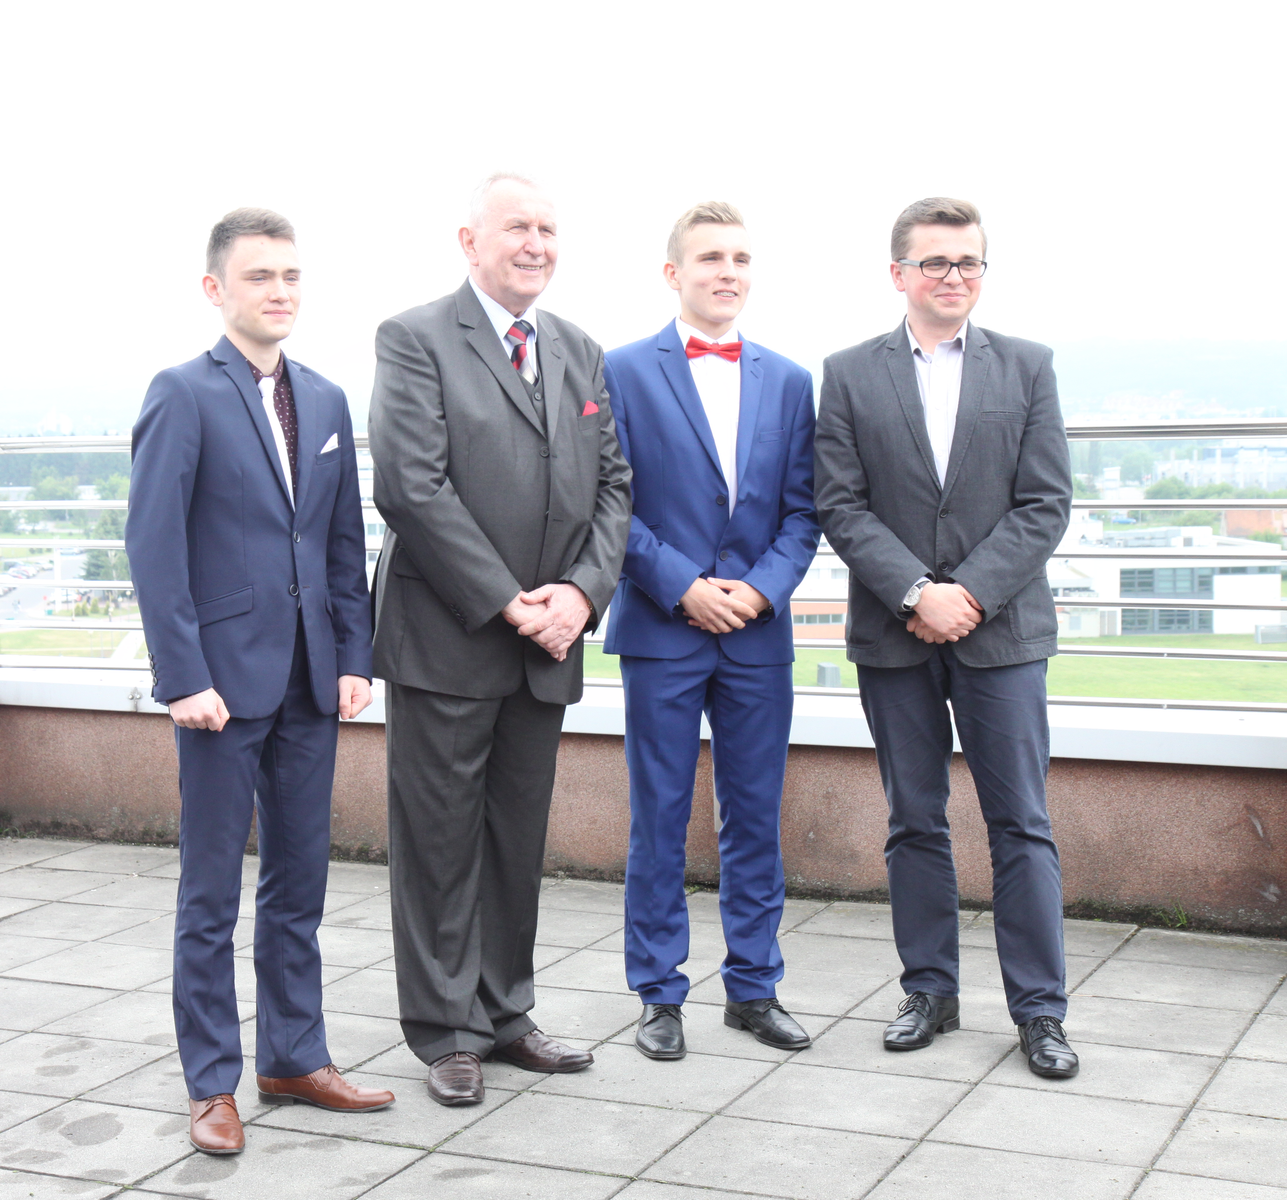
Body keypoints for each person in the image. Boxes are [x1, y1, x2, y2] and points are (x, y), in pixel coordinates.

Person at [126, 208, 394, 1155]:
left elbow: (340, 541)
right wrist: (181, 677)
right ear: (216, 290)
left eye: (290, 275)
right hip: (218, 689)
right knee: (210, 894)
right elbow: (154, 546)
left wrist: (354, 657)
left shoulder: (324, 399)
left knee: (299, 884)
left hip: (311, 681)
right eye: (259, 277)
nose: (280, 291)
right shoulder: (181, 393)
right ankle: (212, 1083)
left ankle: (293, 1057)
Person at [368, 174, 632, 1107]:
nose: (535, 243)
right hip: (450, 638)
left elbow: (613, 485)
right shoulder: (414, 338)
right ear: (468, 240)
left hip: (549, 643)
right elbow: (410, 486)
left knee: (516, 842)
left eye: (548, 228)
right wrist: (510, 602)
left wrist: (579, 595)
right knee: (439, 844)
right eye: (516, 226)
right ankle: (446, 1031)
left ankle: (506, 1012)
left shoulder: (577, 348)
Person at [813, 197, 1079, 1079]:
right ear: (898, 274)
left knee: (1022, 824)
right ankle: (928, 991)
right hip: (894, 635)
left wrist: (966, 593)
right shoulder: (848, 373)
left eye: (967, 262)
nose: (952, 276)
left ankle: (1039, 1011)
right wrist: (915, 593)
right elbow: (839, 504)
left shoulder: (1027, 366)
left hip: (1002, 635)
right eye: (934, 262)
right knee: (913, 820)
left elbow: (1044, 502)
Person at [603, 202, 820, 1060]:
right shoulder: (621, 370)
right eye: (709, 258)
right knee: (657, 818)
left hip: (757, 636)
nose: (727, 272)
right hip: (662, 629)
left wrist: (758, 593)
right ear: (673, 273)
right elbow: (609, 503)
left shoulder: (790, 381)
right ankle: (658, 993)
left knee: (754, 817)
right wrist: (683, 587)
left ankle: (753, 988)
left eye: (739, 258)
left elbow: (803, 513)